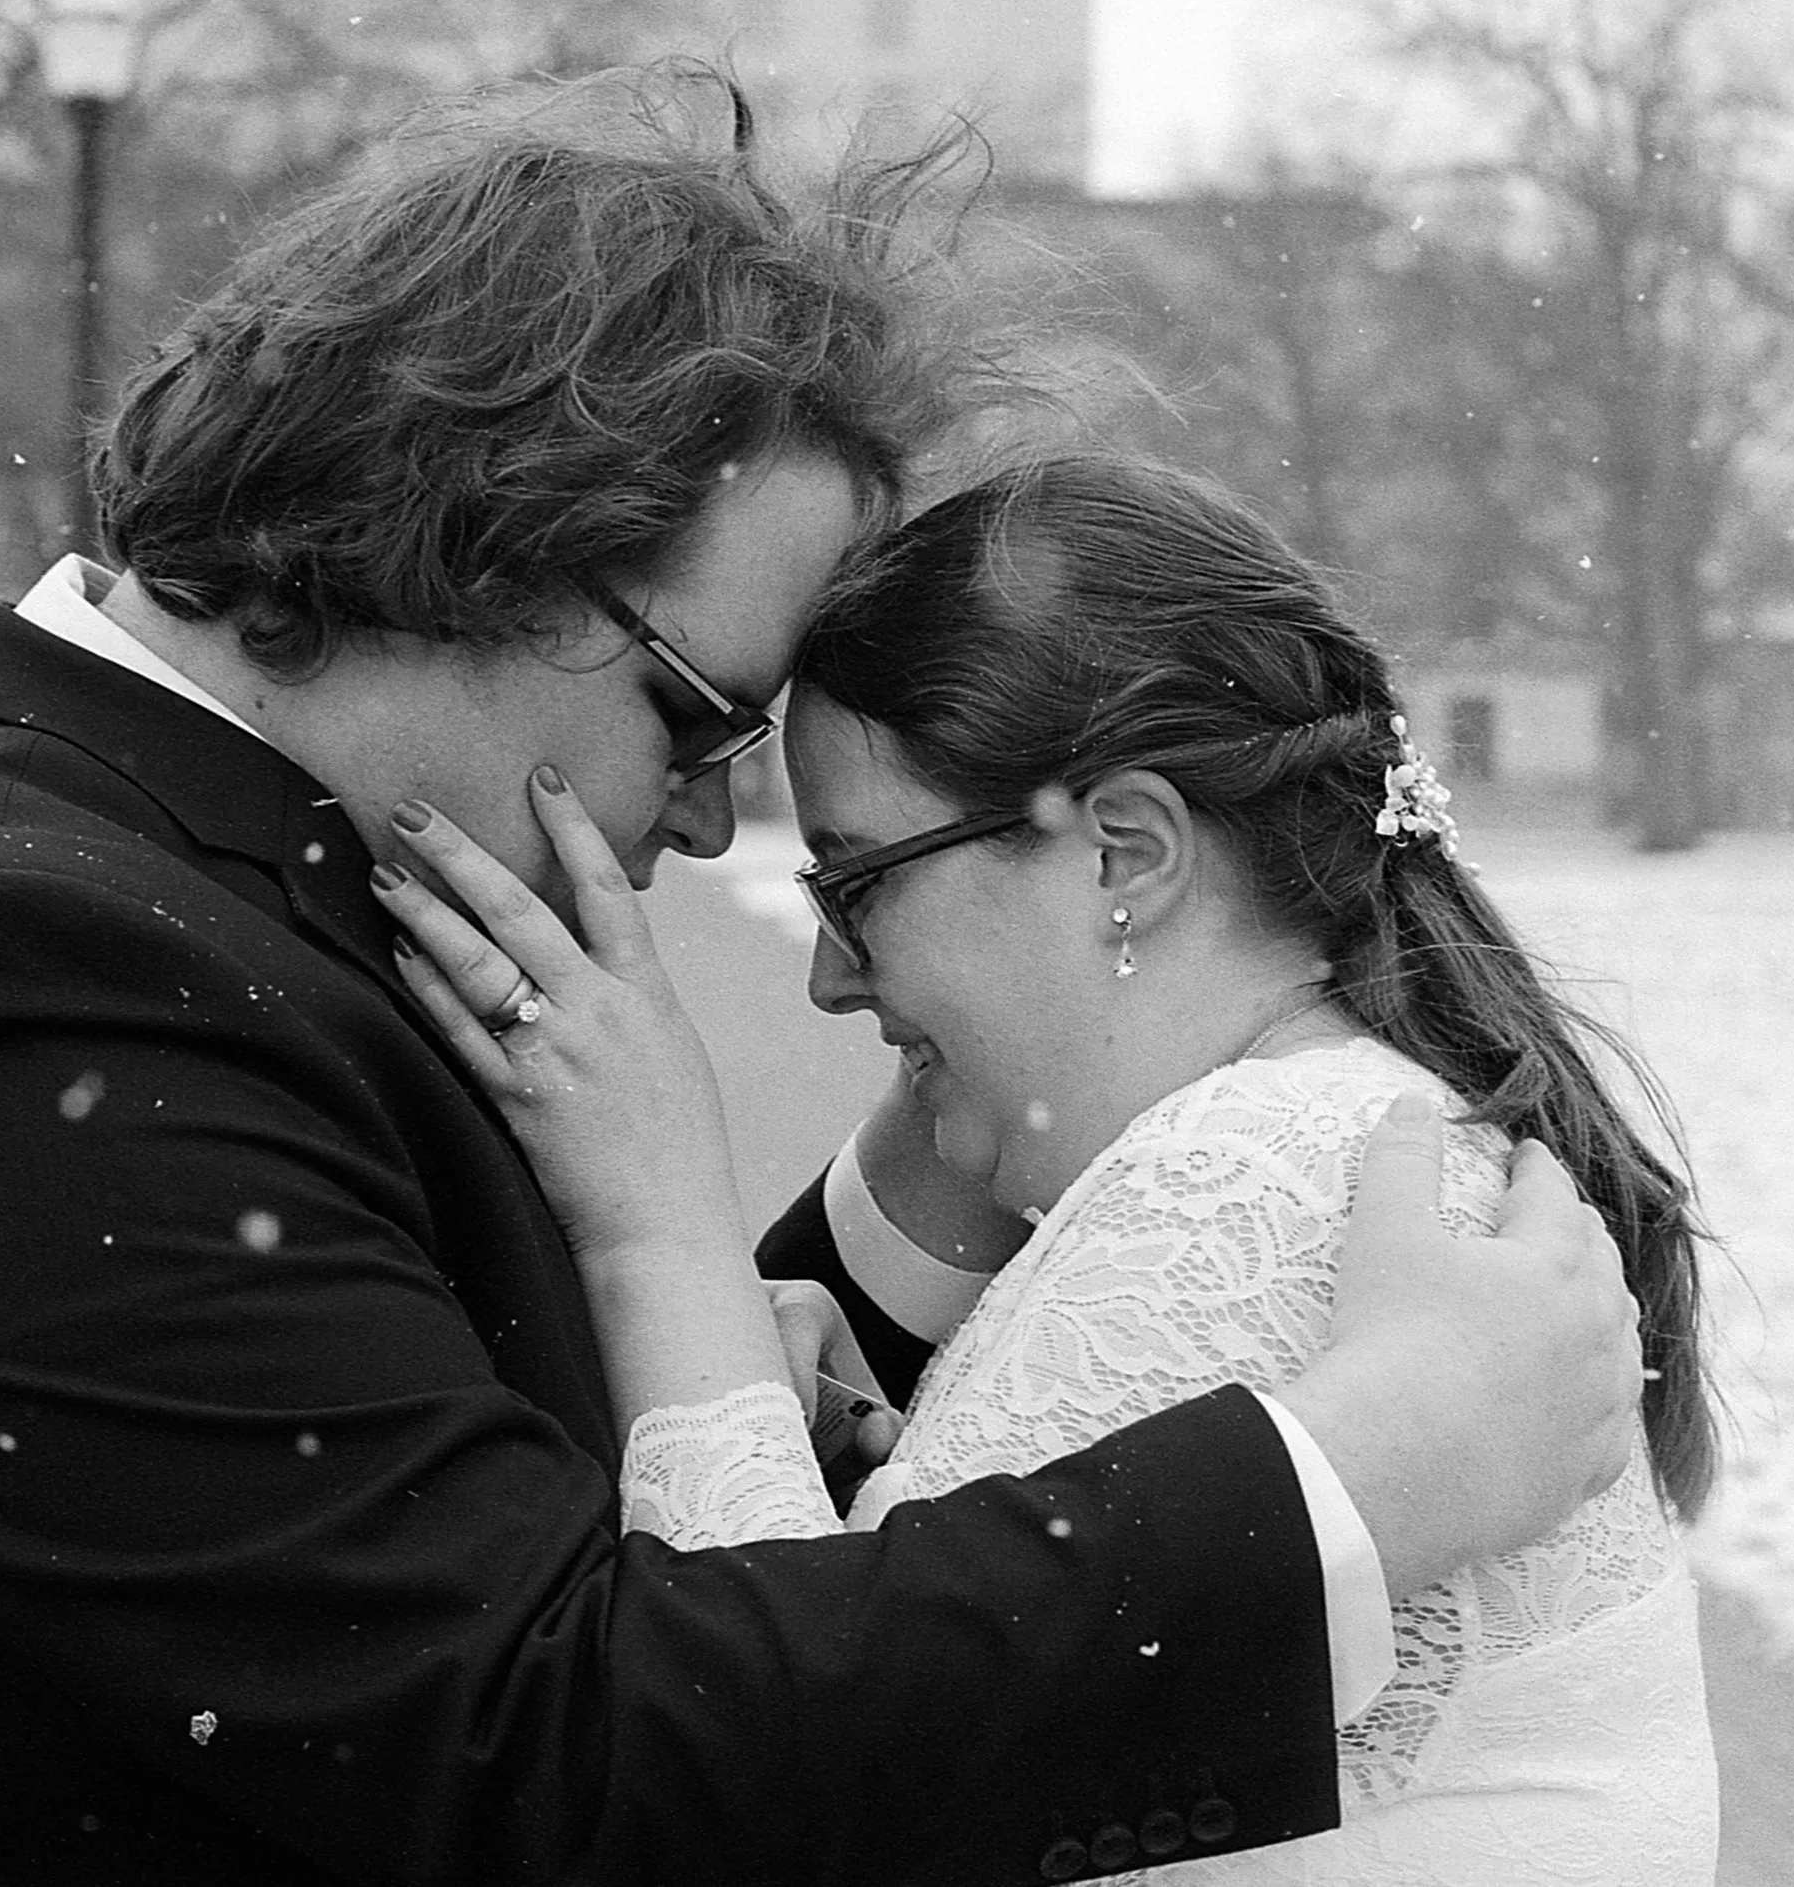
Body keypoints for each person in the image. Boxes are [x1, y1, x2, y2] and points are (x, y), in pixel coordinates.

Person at [0, 70, 1642, 1886]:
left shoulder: (172, 895)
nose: (702, 827)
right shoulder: (11, 980)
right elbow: (558, 1758)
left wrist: (886, 1233)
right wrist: (1359, 1477)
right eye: (702, 710)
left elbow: (455, 1503)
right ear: (467, 536)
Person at [384, 455, 1718, 1882]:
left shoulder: (1250, 1185)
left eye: (857, 881)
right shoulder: (1351, 1131)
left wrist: (655, 1224)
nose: (832, 976)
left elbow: (774, 1787)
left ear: (1125, 853)